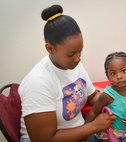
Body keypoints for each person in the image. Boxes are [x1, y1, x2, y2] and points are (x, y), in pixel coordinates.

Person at [18, 4, 116, 142]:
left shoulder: (73, 65)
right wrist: (94, 126)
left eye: (80, 50)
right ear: (50, 48)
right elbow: (44, 139)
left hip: (82, 134)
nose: (78, 58)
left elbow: (92, 96)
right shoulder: (37, 82)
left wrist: (119, 99)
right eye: (71, 54)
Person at [85, 52, 126, 142]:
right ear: (108, 76)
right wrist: (85, 133)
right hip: (104, 136)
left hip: (122, 135)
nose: (119, 76)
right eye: (113, 73)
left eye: (123, 71)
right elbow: (93, 112)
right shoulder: (107, 95)